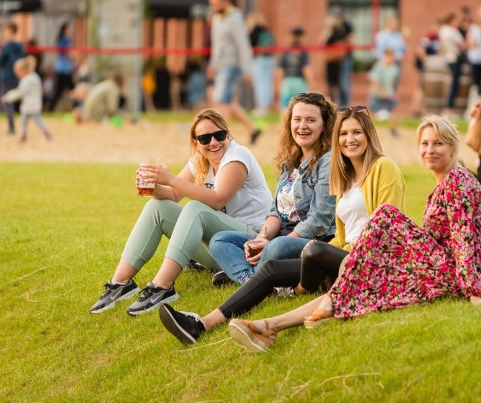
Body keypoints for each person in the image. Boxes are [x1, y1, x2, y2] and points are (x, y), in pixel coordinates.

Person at [227, 114, 481, 353]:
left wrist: (472, 292)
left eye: (438, 144)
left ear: (453, 147)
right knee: (357, 280)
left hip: (446, 270)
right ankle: (268, 326)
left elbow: (465, 238)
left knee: (384, 218)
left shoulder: (458, 181)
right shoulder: (444, 183)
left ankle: (295, 315)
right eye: (425, 144)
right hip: (432, 264)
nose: (430, 150)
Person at [158, 105, 406, 345]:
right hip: (336, 254)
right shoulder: (344, 175)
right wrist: (265, 236)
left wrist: (299, 248)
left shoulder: (382, 167)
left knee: (302, 251)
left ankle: (263, 284)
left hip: (364, 256)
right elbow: (283, 213)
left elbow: (384, 226)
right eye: (343, 134)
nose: (349, 139)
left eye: (356, 133)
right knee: (257, 259)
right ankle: (201, 324)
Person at [89, 109, 272, 315]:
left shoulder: (237, 156)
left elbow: (217, 199)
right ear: (195, 142)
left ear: (228, 135)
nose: (213, 142)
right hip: (219, 248)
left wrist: (170, 178)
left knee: (196, 209)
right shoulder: (200, 160)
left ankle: (162, 287)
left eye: (219, 135)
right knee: (156, 207)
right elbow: (173, 195)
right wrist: (153, 186)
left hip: (248, 244)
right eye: (204, 138)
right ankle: (120, 283)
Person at [209, 92, 337, 285]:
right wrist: (261, 238)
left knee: (278, 246)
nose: (302, 126)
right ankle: (253, 279)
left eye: (311, 120)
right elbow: (275, 212)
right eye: (297, 120)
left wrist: (272, 244)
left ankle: (251, 278)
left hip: (310, 241)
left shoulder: (327, 161)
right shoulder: (290, 163)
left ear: (324, 125)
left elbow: (319, 219)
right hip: (278, 237)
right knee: (219, 240)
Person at [207, 0, 261, 144]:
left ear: (225, 1)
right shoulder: (217, 18)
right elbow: (216, 45)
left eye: (216, 3)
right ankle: (253, 128)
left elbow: (243, 45)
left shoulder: (235, 17)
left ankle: (221, 136)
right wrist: (213, 64)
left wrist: (247, 70)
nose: (213, 6)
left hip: (232, 65)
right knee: (228, 102)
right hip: (221, 65)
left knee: (220, 100)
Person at [1, 56, 52, 143]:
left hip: (30, 105)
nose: (18, 75)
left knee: (35, 120)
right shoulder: (35, 77)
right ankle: (24, 135)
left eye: (18, 73)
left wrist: (8, 97)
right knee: (25, 120)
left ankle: (46, 133)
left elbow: (19, 92)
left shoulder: (27, 80)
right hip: (34, 104)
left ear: (23, 71)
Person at [0, 22, 25, 134]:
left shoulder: (6, 47)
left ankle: (12, 127)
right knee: (20, 102)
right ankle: (22, 126)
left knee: (7, 102)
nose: (5, 33)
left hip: (7, 77)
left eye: (6, 31)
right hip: (18, 77)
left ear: (10, 31)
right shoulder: (21, 46)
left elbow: (0, 62)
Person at [247, 11, 276, 117]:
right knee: (268, 84)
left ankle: (262, 107)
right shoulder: (266, 31)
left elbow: (249, 47)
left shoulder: (254, 32)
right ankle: (267, 106)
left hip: (259, 60)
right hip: (270, 60)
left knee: (260, 84)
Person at [277, 27, 313, 109]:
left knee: (285, 106)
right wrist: (312, 83)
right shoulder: (303, 51)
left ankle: (284, 121)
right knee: (301, 105)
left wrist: (278, 84)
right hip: (299, 81)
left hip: (287, 81)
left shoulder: (285, 51)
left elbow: (280, 70)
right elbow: (306, 69)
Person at [438, 12, 465, 118]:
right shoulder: (452, 31)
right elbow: (462, 44)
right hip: (454, 59)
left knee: (450, 84)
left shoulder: (442, 30)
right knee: (454, 85)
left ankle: (448, 109)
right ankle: (449, 109)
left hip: (447, 59)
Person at [368, 49, 400, 137]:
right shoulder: (379, 66)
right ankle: (369, 130)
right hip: (377, 93)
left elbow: (394, 82)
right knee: (371, 111)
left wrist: (393, 93)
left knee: (395, 109)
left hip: (389, 92)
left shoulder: (395, 68)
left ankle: (393, 129)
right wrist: (380, 91)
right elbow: (375, 80)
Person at [48, 22, 75, 112]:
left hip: (65, 69)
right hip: (63, 69)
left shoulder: (65, 40)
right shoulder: (63, 40)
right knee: (63, 91)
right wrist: (73, 56)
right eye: (68, 29)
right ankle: (50, 109)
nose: (70, 31)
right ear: (64, 30)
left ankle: (76, 108)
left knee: (68, 90)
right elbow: (66, 53)